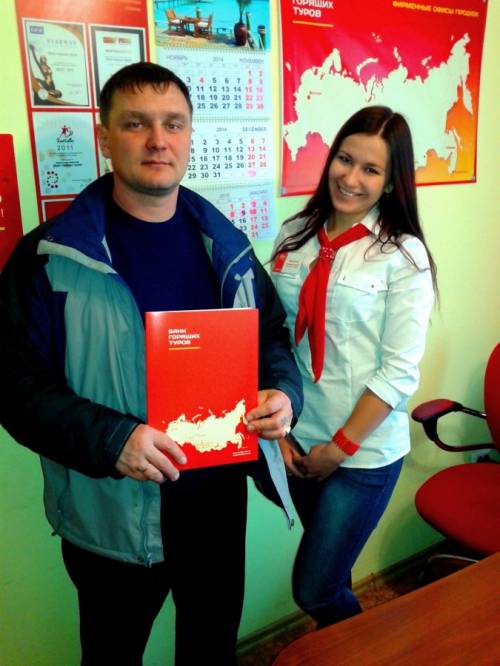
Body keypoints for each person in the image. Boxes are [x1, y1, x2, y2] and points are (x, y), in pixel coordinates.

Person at [0, 62, 303, 665]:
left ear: (190, 136)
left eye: (173, 124)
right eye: (136, 123)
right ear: (105, 137)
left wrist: (281, 391)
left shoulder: (228, 246)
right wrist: (113, 438)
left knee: (210, 651)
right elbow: (14, 385)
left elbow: (270, 334)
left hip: (216, 513)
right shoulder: (50, 258)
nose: (158, 140)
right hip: (112, 516)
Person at [270, 106, 436, 628]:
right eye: (345, 159)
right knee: (333, 574)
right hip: (299, 442)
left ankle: (366, 648)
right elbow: (275, 338)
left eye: (371, 169)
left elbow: (398, 371)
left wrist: (338, 449)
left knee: (315, 588)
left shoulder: (403, 256)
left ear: (391, 182)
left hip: (362, 453)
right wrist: (281, 433)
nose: (351, 177)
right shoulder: (294, 234)